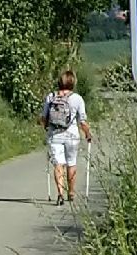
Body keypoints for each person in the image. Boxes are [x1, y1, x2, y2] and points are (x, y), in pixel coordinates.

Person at [39, 70, 92, 205]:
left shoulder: (51, 97)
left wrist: (45, 127)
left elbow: (43, 118)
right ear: (73, 82)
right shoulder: (77, 98)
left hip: (54, 135)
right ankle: (71, 193)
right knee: (71, 163)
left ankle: (60, 194)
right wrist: (87, 134)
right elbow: (82, 121)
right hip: (72, 135)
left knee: (58, 164)